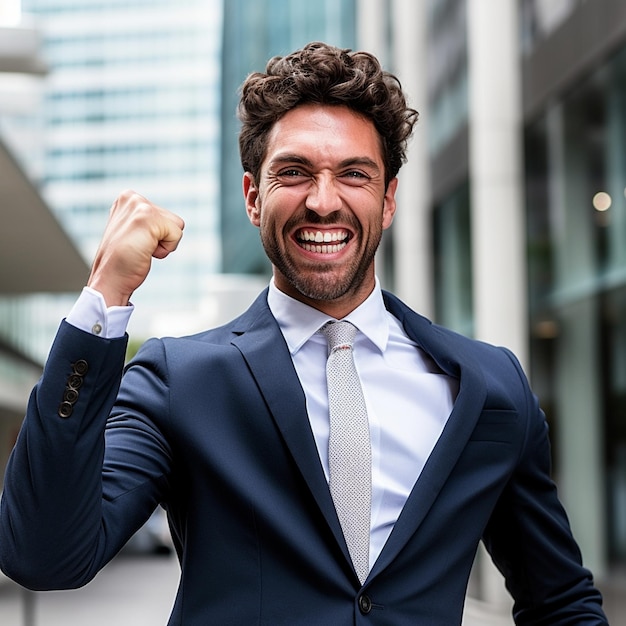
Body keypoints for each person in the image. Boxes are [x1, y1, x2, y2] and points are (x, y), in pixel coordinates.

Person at [0, 42, 608, 625]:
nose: (323, 202)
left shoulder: (488, 384)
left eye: (354, 174)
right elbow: (45, 555)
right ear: (252, 197)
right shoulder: (177, 378)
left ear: (389, 199)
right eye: (293, 172)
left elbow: (558, 602)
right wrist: (105, 299)